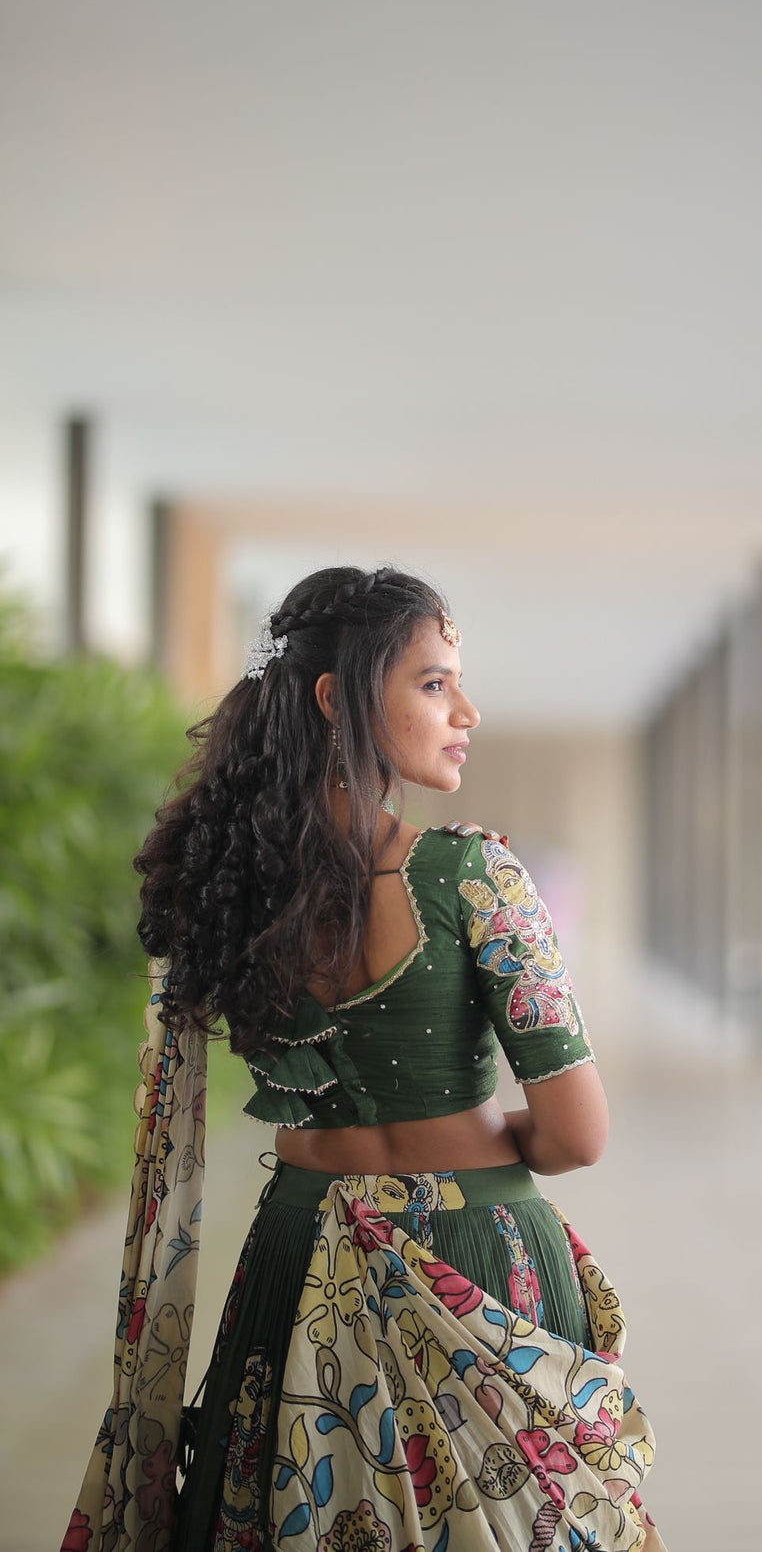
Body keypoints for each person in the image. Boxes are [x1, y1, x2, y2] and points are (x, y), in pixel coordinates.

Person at [63, 565, 664, 1552]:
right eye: (432, 682)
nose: (465, 708)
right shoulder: (475, 876)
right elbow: (576, 1133)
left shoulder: (226, 889)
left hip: (299, 1259)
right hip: (472, 1254)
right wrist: (480, 1134)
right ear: (339, 697)